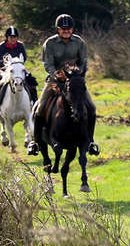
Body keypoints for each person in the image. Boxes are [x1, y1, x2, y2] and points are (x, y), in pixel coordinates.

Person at [27, 14, 99, 156]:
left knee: (91, 107)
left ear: (72, 29)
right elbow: (47, 63)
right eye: (63, 29)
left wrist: (79, 72)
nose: (66, 31)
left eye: (69, 29)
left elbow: (84, 61)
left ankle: (90, 142)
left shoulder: (79, 42)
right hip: (55, 80)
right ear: (58, 30)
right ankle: (35, 142)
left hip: (75, 81)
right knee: (40, 108)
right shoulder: (50, 43)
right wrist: (56, 73)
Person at [0, 26, 38, 103]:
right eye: (11, 37)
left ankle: (35, 102)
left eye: (15, 37)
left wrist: (18, 66)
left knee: (32, 81)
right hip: (3, 70)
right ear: (7, 37)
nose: (13, 39)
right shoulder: (1, 47)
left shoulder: (20, 45)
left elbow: (24, 58)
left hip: (18, 69)